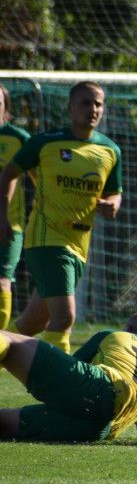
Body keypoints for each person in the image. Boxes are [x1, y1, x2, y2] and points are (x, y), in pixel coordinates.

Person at [0, 81, 122, 353]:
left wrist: (112, 204)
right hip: (46, 239)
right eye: (85, 103)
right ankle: (60, 378)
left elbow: (115, 193)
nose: (93, 109)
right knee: (64, 317)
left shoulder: (110, 151)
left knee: (33, 323)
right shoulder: (44, 143)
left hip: (79, 244)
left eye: (98, 104)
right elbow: (8, 173)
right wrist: (3, 216)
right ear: (70, 107)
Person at [0, 310, 137, 442]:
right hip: (99, 429)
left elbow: (71, 367)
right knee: (4, 424)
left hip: (98, 388)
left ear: (129, 328)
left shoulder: (113, 335)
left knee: (9, 340)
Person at [0, 84, 30, 330]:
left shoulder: (19, 138)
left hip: (10, 223)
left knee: (2, 282)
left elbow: (41, 177)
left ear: (5, 107)